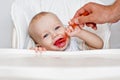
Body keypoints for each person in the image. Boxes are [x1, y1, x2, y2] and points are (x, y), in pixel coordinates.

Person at [28, 11, 103, 51]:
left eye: (57, 28)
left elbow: (99, 45)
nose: (54, 35)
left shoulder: (74, 43)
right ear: (39, 45)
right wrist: (37, 54)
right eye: (45, 35)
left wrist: (80, 33)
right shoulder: (44, 52)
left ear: (64, 27)